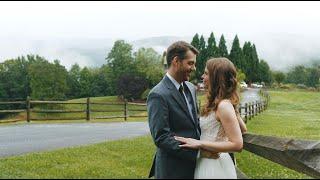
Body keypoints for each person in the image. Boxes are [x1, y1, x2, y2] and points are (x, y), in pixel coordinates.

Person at [174, 57, 247, 179]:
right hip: (206, 160)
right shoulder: (220, 103)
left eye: (206, 73)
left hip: (214, 165)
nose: (202, 76)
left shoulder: (224, 105)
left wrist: (200, 144)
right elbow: (243, 129)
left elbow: (237, 144)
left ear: (217, 78)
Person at [147, 41, 201, 179]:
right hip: (173, 170)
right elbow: (162, 137)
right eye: (190, 63)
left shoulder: (191, 88)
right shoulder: (158, 95)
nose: (194, 68)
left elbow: (196, 123)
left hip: (196, 167)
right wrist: (198, 153)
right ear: (176, 61)